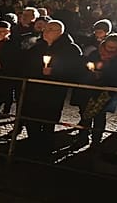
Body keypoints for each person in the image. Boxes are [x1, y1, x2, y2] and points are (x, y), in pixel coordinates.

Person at [21, 20, 83, 156]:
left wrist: (54, 72)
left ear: (60, 32)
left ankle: (45, 146)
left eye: (51, 29)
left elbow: (75, 70)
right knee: (31, 117)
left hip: (53, 91)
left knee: (48, 119)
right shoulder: (37, 46)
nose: (46, 31)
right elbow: (26, 64)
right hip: (34, 89)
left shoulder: (71, 49)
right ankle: (31, 143)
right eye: (46, 29)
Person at [73, 33, 117, 145]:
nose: (110, 50)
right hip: (89, 89)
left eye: (113, 48)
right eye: (108, 46)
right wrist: (91, 73)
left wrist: (104, 76)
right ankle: (82, 137)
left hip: (106, 93)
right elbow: (84, 67)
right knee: (85, 115)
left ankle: (96, 141)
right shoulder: (95, 53)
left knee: (99, 117)